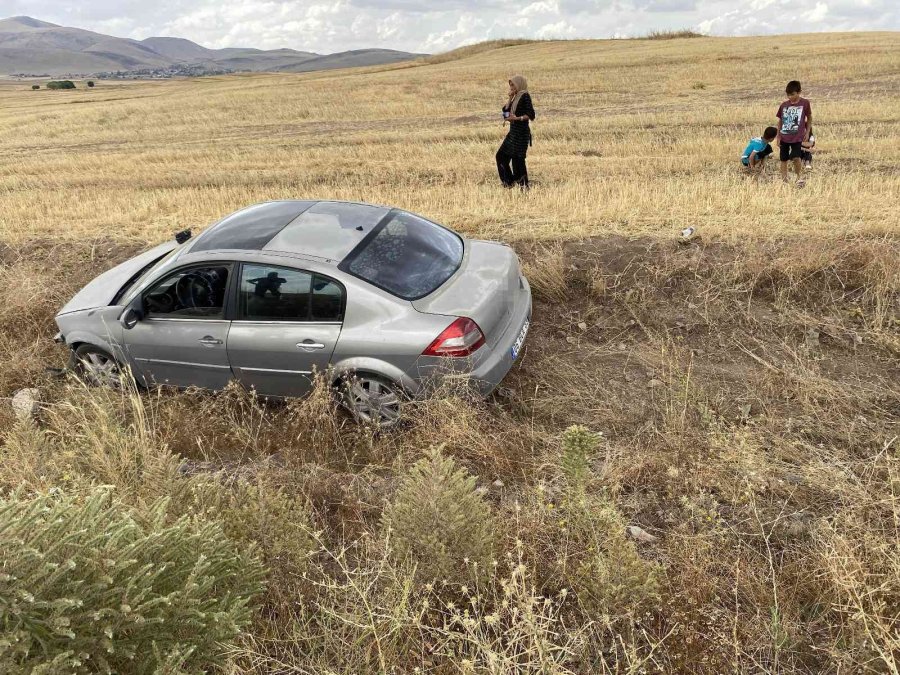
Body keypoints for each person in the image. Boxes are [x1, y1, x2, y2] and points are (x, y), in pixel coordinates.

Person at [496, 75, 535, 189]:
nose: (511, 87)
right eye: (510, 85)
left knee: (518, 160)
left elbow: (531, 114)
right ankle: (509, 183)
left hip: (521, 133)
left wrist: (517, 118)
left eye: (513, 84)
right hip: (513, 132)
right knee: (501, 156)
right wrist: (509, 98)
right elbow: (505, 112)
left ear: (519, 84)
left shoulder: (525, 96)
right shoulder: (515, 97)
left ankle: (523, 186)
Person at [776, 80, 812, 187]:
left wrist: (807, 131)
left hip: (797, 137)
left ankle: (799, 178)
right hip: (784, 136)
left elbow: (809, 117)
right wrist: (778, 136)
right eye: (788, 95)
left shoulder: (805, 103)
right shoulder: (784, 105)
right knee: (783, 159)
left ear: (799, 92)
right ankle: (784, 180)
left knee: (796, 157)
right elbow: (780, 121)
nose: (790, 97)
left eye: (792, 94)